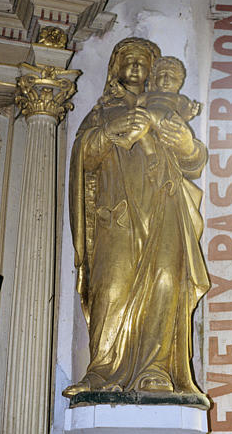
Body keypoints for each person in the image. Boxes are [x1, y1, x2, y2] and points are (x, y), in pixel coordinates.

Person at [63, 37, 210, 398]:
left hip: (165, 208)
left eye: (142, 62)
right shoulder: (100, 113)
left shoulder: (168, 110)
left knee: (164, 283)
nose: (134, 67)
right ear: (115, 68)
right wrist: (109, 133)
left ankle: (155, 370)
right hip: (117, 216)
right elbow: (83, 157)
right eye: (127, 60)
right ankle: (101, 371)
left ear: (155, 71)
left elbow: (193, 162)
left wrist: (186, 143)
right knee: (110, 288)